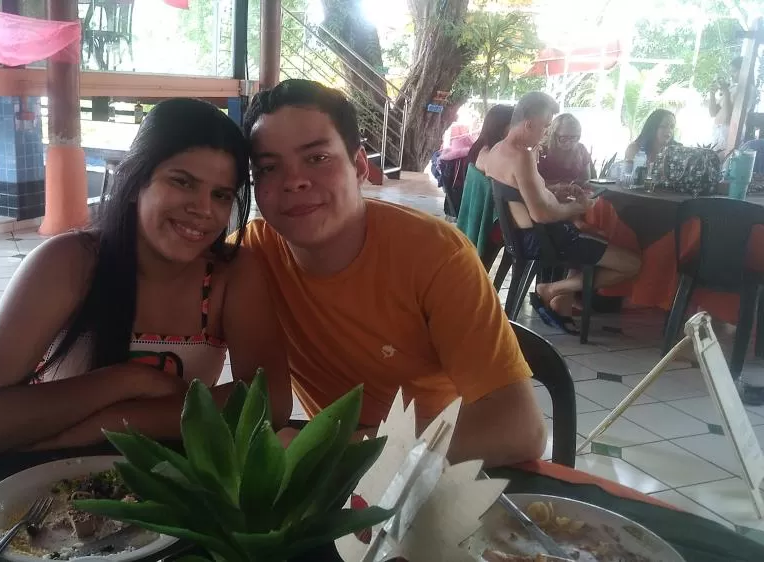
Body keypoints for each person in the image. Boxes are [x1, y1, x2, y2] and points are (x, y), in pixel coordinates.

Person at [0, 98, 291, 461]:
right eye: (182, 182)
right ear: (136, 181)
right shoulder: (70, 262)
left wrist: (111, 423)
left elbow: (271, 401)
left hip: (168, 478)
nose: (202, 209)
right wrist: (128, 380)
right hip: (47, 478)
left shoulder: (232, 273)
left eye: (220, 195)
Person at [240, 79, 546, 468]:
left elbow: (520, 428)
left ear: (359, 166)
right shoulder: (252, 254)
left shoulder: (436, 255)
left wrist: (328, 450)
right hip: (345, 473)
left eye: (317, 158)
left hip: (437, 466)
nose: (294, 181)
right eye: (269, 167)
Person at [480, 92, 641, 332]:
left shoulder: (498, 150)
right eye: (545, 127)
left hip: (523, 237)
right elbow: (542, 215)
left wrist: (554, 190)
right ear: (529, 124)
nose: (546, 133)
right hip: (547, 239)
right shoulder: (523, 156)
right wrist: (579, 207)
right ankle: (553, 289)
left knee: (593, 236)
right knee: (632, 264)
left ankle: (558, 294)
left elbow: (524, 192)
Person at [457, 104, 515, 261]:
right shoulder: (491, 154)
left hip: (482, 218)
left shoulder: (481, 147)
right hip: (494, 225)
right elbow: (518, 185)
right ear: (501, 127)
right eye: (514, 124)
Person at [537, 113, 592, 186]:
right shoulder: (540, 151)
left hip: (573, 192)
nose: (568, 142)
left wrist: (575, 186)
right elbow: (531, 183)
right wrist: (555, 187)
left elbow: (586, 179)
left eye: (573, 137)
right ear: (553, 135)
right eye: (563, 138)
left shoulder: (581, 150)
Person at [709, 57, 742, 150]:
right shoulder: (732, 88)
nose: (731, 75)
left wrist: (726, 92)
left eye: (734, 71)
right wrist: (712, 94)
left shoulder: (746, 90)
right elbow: (713, 113)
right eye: (730, 72)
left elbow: (728, 117)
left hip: (728, 133)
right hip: (718, 131)